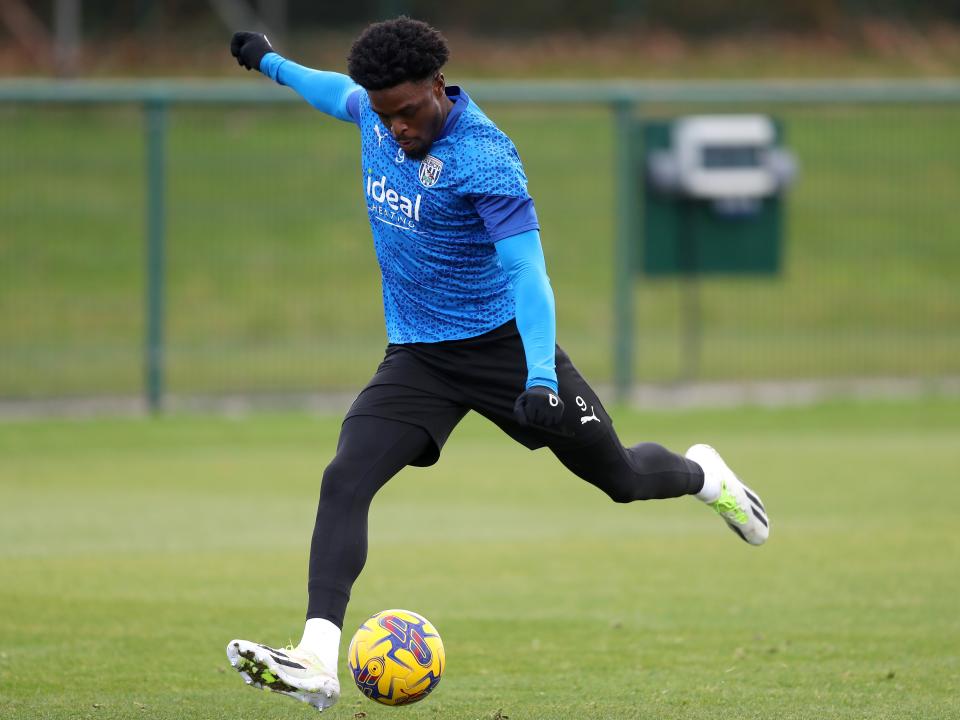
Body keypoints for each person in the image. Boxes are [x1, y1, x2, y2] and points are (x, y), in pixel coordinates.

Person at [225, 17, 769, 712]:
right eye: (384, 114)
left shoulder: (486, 157)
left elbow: (528, 275)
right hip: (419, 357)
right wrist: (271, 61)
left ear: (438, 86)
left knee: (623, 479)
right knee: (345, 477)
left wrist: (540, 375)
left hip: (506, 351)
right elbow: (334, 91)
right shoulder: (376, 112)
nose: (396, 128)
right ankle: (316, 660)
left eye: (409, 111)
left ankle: (704, 475)